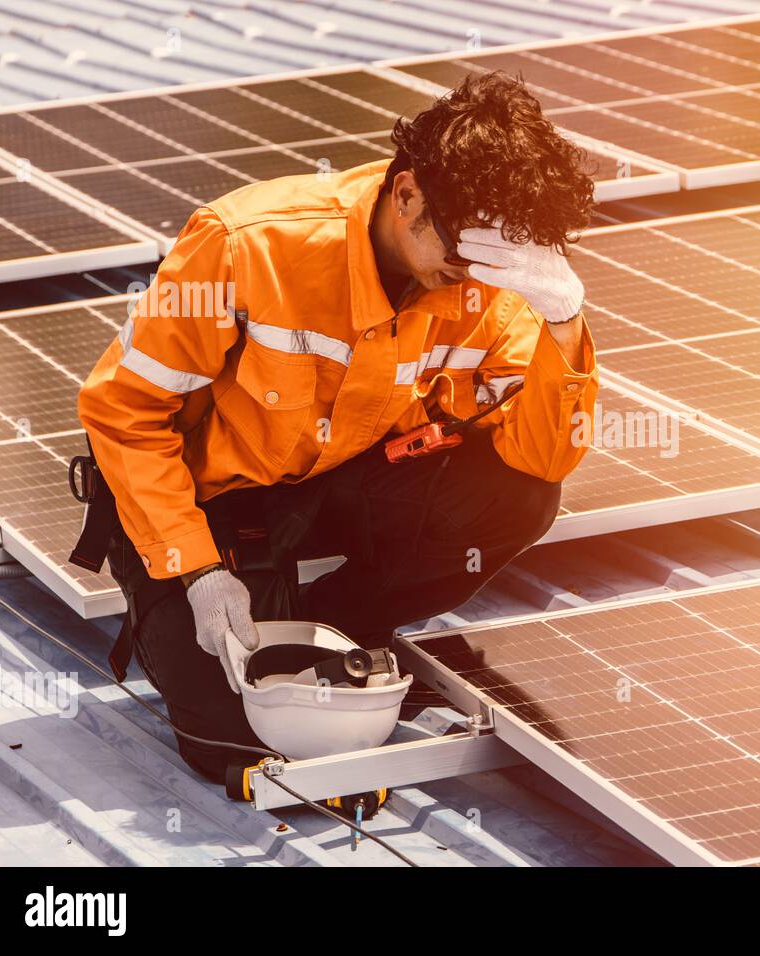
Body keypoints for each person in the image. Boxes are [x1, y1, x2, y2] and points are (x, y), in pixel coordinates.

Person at [73, 71, 599, 781]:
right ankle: (209, 604)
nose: (470, 266)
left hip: (332, 484)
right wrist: (195, 570)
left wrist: (563, 322)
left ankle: (343, 618)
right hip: (204, 501)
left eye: (492, 248)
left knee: (521, 496)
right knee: (243, 745)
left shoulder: (486, 281)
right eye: (459, 242)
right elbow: (125, 413)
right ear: (407, 192)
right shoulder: (248, 246)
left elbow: (541, 459)